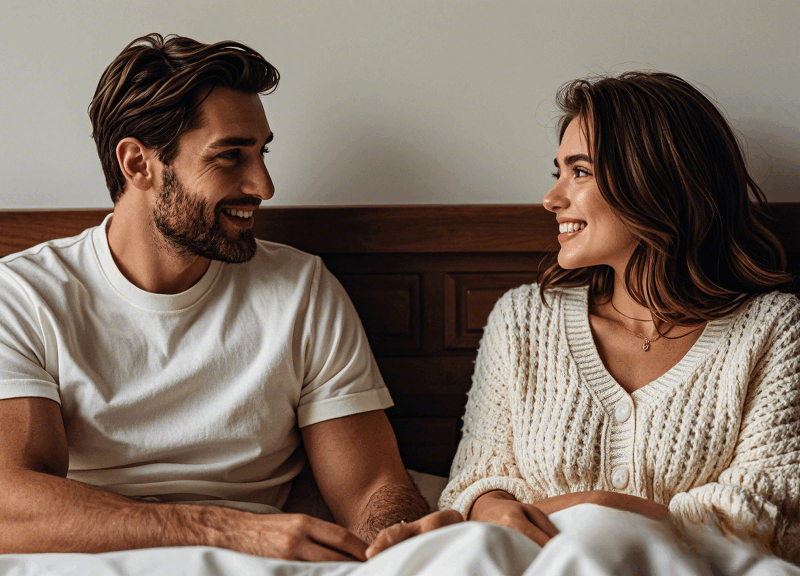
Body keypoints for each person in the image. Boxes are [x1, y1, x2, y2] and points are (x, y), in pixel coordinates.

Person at [0, 33, 459, 562]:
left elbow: (371, 486)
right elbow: (11, 500)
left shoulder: (300, 288)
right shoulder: (25, 296)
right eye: (230, 157)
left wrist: (394, 537)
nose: (263, 185)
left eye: (262, 152)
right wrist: (221, 529)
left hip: (261, 562)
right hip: (89, 558)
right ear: (137, 164)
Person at [432, 71, 800, 561]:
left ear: (654, 179)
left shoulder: (773, 329)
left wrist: (595, 511)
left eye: (579, 172)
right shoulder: (522, 321)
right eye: (557, 172)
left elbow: (765, 511)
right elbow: (476, 484)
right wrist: (495, 505)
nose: (552, 198)